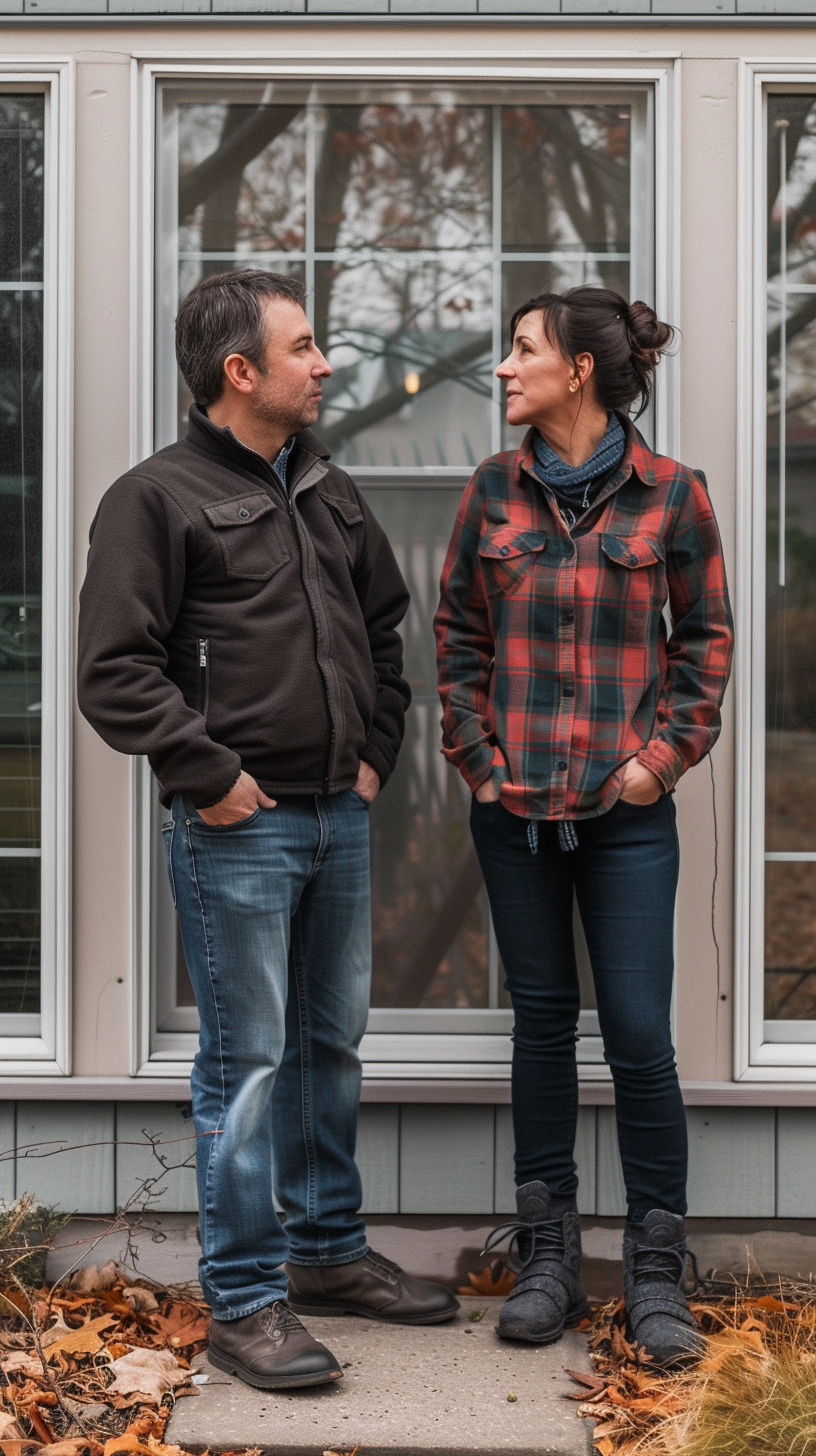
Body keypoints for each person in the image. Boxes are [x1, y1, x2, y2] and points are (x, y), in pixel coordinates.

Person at [78, 269, 458, 1392]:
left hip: (338, 817)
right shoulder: (155, 498)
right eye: (305, 348)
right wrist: (213, 775)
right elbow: (113, 673)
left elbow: (385, 630)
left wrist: (377, 753)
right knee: (245, 1063)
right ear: (240, 372)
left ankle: (330, 1253)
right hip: (237, 828)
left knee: (328, 1045)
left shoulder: (328, 488)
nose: (325, 364)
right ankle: (246, 1300)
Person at [434, 287, 733, 1367]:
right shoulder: (490, 494)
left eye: (522, 350)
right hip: (514, 814)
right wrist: (481, 760)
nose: (504, 367)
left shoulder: (673, 498)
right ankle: (549, 1256)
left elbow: (706, 643)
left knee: (642, 1035)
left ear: (581, 373)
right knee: (543, 1020)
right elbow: (457, 637)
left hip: (625, 818)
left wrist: (659, 766)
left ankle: (656, 1269)